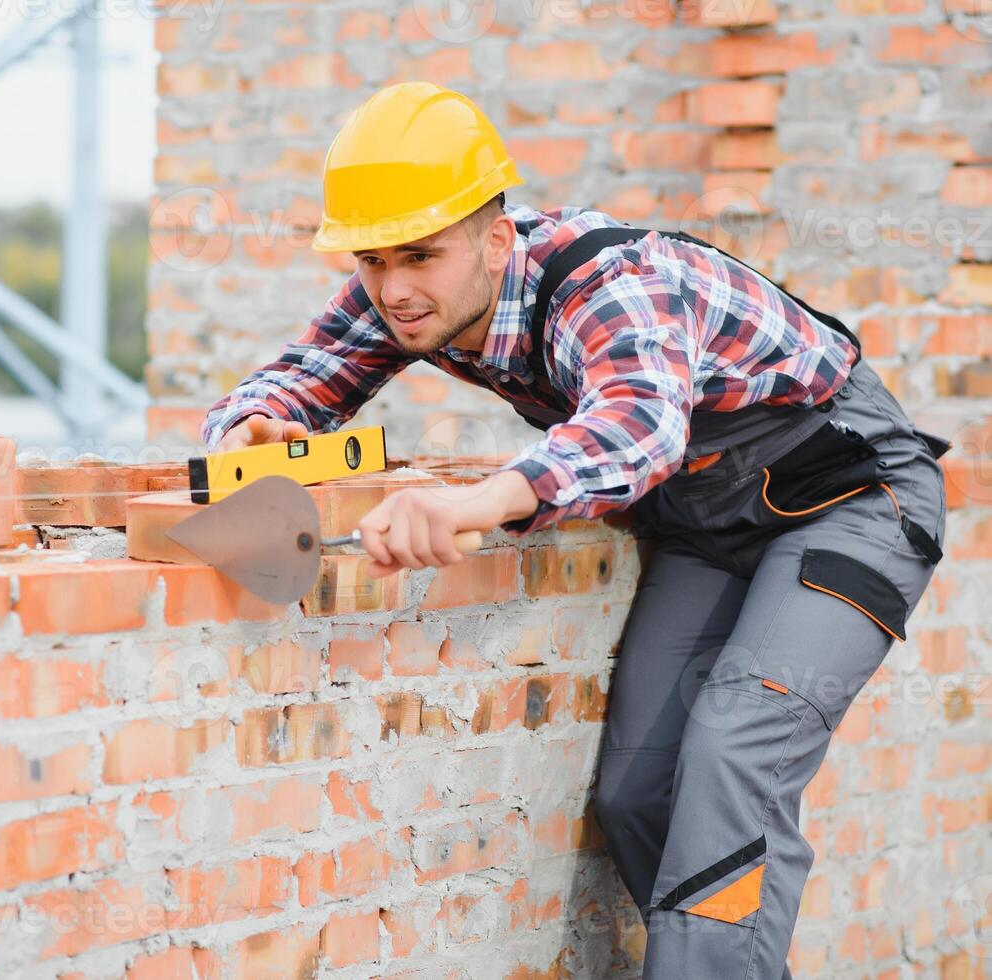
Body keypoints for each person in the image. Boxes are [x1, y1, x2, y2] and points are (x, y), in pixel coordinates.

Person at [199, 81, 948, 978]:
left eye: (417, 256)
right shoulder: (408, 294)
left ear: (495, 237)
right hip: (707, 525)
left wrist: (476, 505)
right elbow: (301, 376)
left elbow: (639, 429)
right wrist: (250, 428)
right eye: (369, 261)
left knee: (732, 754)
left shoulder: (610, 282)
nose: (392, 289)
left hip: (852, 501)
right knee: (640, 789)